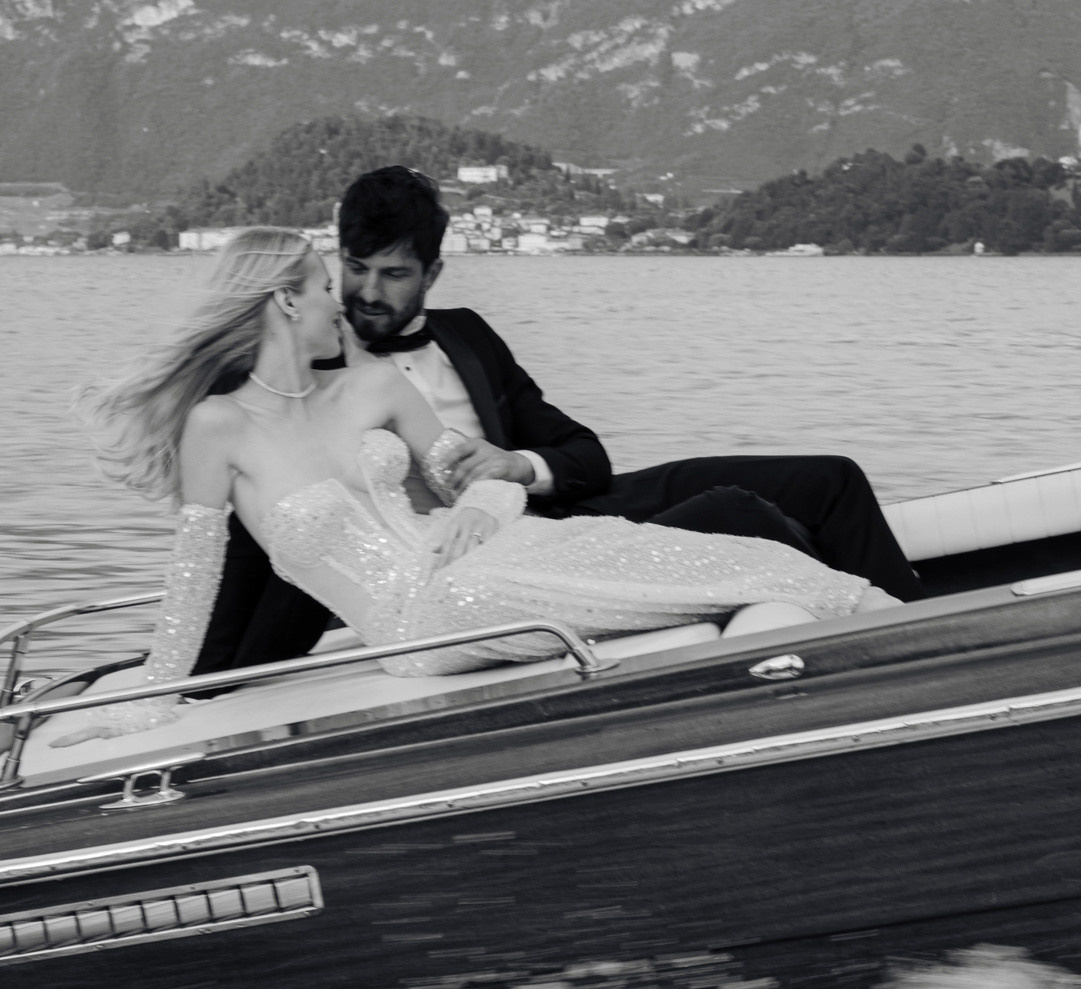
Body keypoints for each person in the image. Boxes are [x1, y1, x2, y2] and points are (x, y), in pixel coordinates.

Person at [79, 228, 880, 731]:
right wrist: (147, 702)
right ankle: (895, 643)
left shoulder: (374, 388)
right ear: (286, 301)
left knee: (726, 553)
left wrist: (483, 512)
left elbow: (485, 479)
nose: (340, 304)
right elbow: (193, 583)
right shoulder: (218, 427)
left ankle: (898, 632)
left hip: (495, 553)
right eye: (325, 286)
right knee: (675, 569)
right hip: (421, 619)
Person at [193, 165, 921, 672]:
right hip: (473, 572)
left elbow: (581, 452)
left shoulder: (468, 336)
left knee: (831, 479)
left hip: (555, 516)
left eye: (394, 274)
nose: (366, 293)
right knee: (738, 513)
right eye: (353, 269)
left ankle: (936, 630)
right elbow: (269, 537)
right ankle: (875, 652)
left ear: (433, 275)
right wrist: (210, 674)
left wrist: (517, 467)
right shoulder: (296, 388)